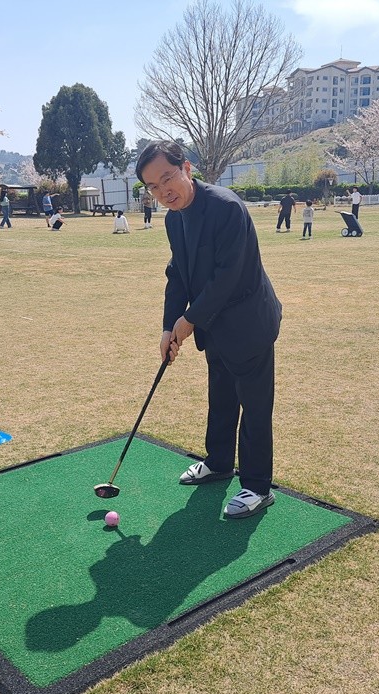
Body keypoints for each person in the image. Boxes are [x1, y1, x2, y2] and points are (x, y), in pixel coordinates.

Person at [136, 139, 282, 519]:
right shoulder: (174, 218)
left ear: (186, 169)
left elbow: (227, 278)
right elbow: (178, 275)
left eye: (167, 178)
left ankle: (256, 486)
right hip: (214, 325)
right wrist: (169, 326)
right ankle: (218, 463)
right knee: (221, 395)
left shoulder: (226, 207)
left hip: (248, 322)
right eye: (153, 186)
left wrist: (189, 321)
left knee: (254, 406)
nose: (163, 190)